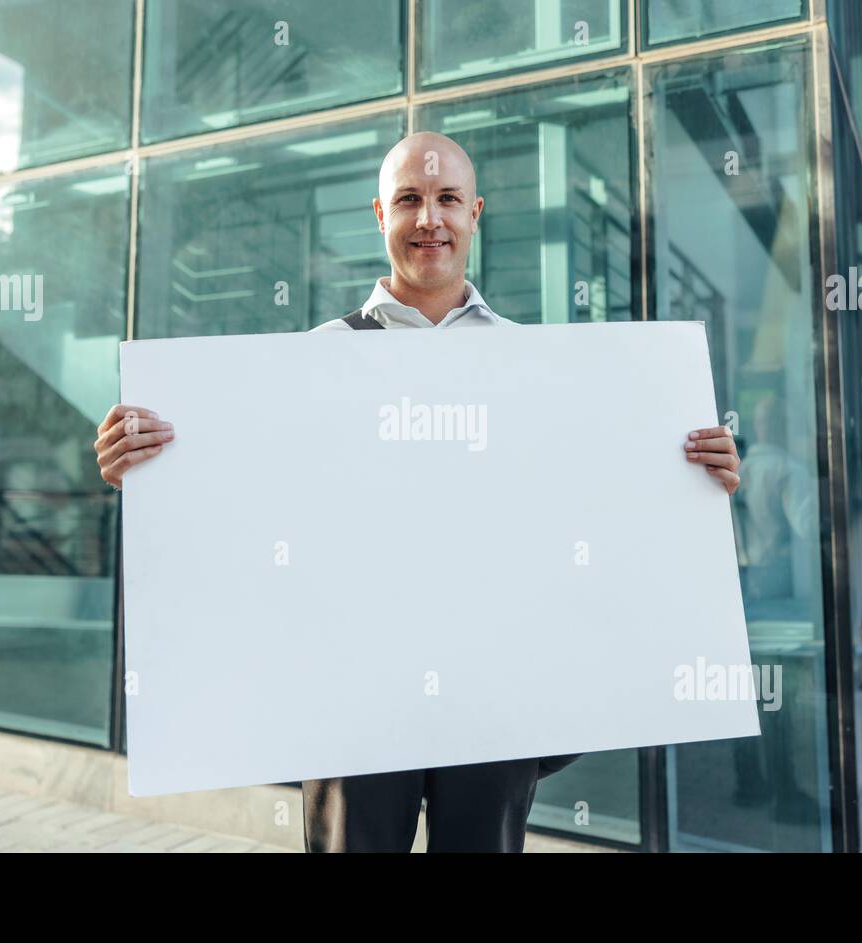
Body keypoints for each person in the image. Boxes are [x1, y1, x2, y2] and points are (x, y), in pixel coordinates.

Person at [92, 132, 742, 852]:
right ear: (379, 214)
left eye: (447, 199)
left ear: (475, 214)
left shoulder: (542, 372)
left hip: (496, 695)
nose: (429, 217)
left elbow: (596, 513)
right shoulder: (306, 366)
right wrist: (147, 469)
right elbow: (242, 510)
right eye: (409, 199)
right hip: (352, 695)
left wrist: (690, 477)